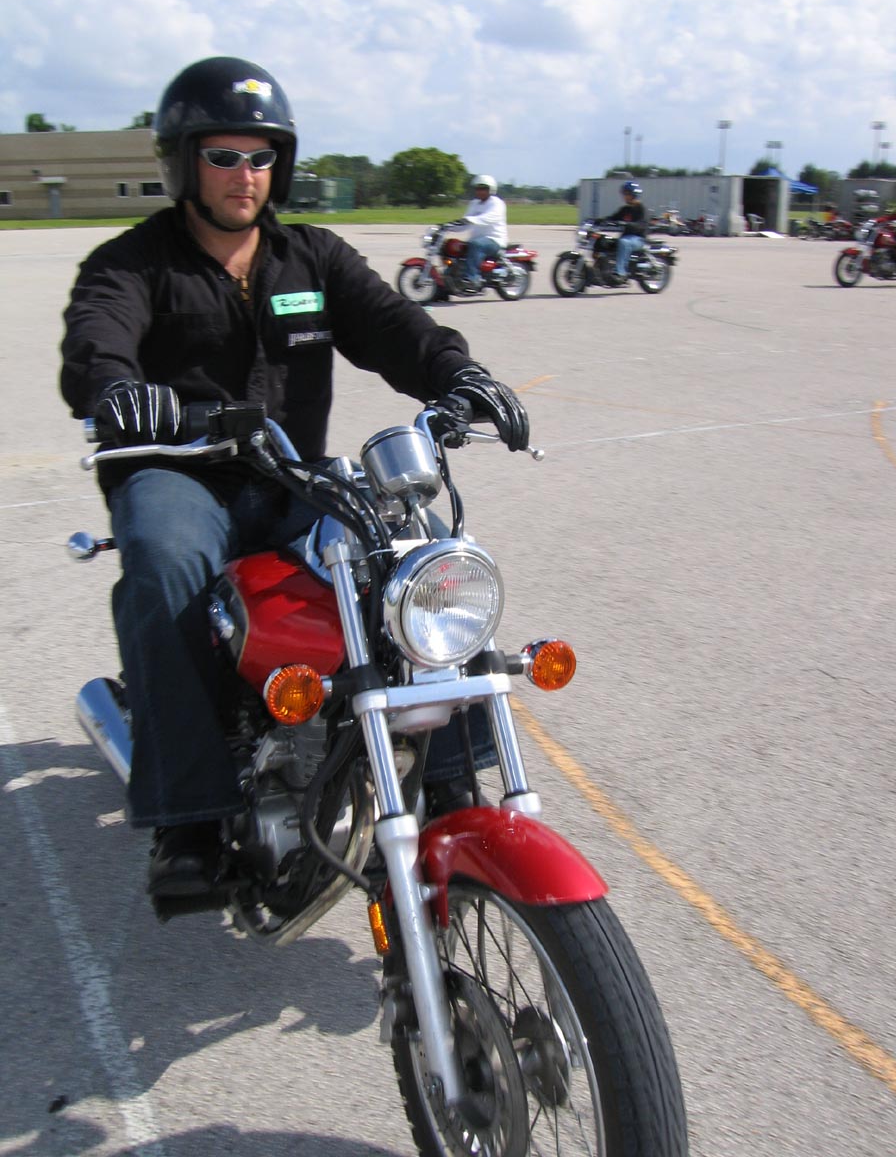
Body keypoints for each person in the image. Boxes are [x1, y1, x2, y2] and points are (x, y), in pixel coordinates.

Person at [59, 56, 529, 898]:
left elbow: (394, 325)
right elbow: (98, 337)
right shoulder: (132, 263)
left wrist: (458, 374)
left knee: (417, 553)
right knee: (163, 564)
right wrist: (117, 391)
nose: (245, 174)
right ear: (183, 162)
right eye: (224, 156)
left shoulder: (310, 256)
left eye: (261, 156)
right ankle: (189, 816)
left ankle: (453, 778)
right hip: (181, 475)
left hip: (292, 478)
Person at [452, 174, 508, 290]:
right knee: (454, 246)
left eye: (483, 188)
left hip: (495, 240)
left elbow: (489, 218)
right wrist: (447, 227)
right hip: (476, 240)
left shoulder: (496, 203)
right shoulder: (474, 203)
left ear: (491, 189)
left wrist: (470, 219)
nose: (480, 191)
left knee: (476, 244)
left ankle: (473, 278)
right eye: (477, 188)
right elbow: (465, 223)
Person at [600, 180, 647, 285]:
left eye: (627, 193)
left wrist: (627, 224)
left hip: (638, 239)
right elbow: (613, 218)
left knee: (624, 242)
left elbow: (642, 225)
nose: (624, 196)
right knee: (604, 241)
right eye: (624, 193)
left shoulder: (641, 209)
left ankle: (621, 273)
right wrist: (599, 221)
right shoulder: (625, 209)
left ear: (634, 194)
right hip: (626, 237)